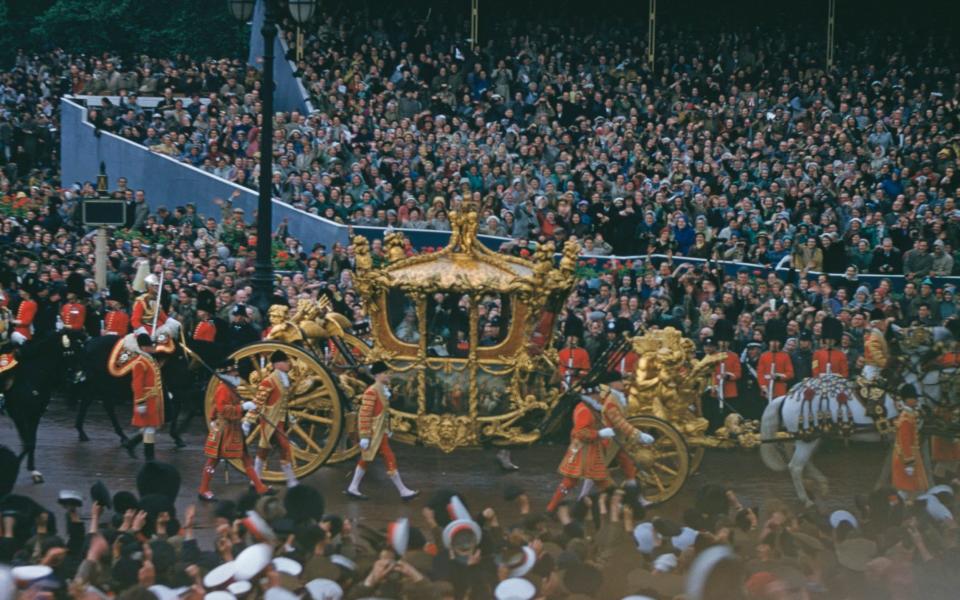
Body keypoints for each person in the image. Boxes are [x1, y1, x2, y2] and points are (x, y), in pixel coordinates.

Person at [198, 358, 270, 500]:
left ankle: (259, 487)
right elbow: (223, 409)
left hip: (232, 428)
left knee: (245, 458)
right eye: (234, 371)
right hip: (224, 429)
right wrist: (242, 407)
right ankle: (203, 489)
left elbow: (215, 406)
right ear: (228, 373)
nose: (237, 373)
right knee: (213, 461)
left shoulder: (229, 387)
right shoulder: (223, 388)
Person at [346, 361, 418, 500]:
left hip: (380, 432)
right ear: (378, 375)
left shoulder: (381, 389)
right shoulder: (372, 391)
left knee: (366, 459)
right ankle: (403, 491)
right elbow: (365, 414)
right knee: (388, 457)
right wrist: (365, 436)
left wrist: (387, 428)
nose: (388, 375)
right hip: (373, 432)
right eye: (385, 373)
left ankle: (353, 487)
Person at [577, 371, 654, 502]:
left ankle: (638, 499)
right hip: (610, 442)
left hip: (618, 441)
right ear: (612, 384)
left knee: (629, 469)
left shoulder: (617, 397)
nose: (622, 383)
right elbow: (620, 423)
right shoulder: (612, 401)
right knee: (595, 470)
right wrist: (638, 435)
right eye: (619, 381)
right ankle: (582, 498)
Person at [546, 389, 615, 512]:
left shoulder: (588, 407)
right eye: (597, 393)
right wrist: (599, 433)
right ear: (591, 395)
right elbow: (581, 432)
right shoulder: (584, 410)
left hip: (587, 450)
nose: (600, 396)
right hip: (585, 451)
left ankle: (551, 508)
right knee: (600, 482)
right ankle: (617, 507)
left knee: (572, 482)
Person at [244, 350, 299, 489]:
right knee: (283, 447)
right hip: (270, 421)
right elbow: (258, 401)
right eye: (286, 361)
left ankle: (255, 480)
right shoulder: (269, 381)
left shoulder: (284, 379)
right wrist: (248, 420)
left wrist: (289, 416)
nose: (288, 364)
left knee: (265, 450)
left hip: (280, 420)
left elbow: (284, 402)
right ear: (278, 364)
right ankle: (291, 481)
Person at [119, 333, 165, 461]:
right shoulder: (140, 362)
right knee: (149, 430)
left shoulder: (149, 359)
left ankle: (131, 444)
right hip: (146, 400)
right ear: (144, 347)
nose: (152, 348)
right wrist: (140, 403)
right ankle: (149, 458)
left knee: (149, 428)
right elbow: (137, 384)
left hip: (153, 400)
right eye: (149, 346)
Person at [892, 383, 928, 496]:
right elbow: (905, 442)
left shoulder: (910, 414)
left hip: (910, 454)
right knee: (906, 488)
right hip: (905, 456)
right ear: (907, 400)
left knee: (911, 487)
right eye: (913, 398)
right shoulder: (905, 418)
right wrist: (909, 463)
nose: (916, 400)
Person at [757, 319, 794, 401]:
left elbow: (790, 373)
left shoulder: (785, 356)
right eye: (772, 341)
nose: (774, 344)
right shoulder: (763, 356)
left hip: (780, 391)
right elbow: (760, 373)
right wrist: (763, 386)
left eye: (777, 341)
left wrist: (779, 377)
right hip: (766, 391)